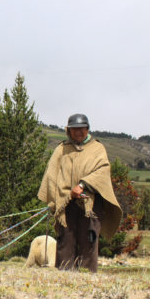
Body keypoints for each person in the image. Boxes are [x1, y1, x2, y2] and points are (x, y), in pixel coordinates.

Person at [37, 114, 122, 272]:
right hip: (66, 205)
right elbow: (51, 175)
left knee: (88, 243)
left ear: (87, 129)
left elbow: (102, 171)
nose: (78, 132)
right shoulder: (61, 149)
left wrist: (82, 185)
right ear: (68, 130)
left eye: (81, 129)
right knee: (65, 242)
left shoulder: (97, 148)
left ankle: (87, 279)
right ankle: (64, 277)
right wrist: (57, 199)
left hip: (90, 204)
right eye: (74, 129)